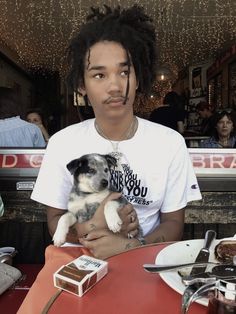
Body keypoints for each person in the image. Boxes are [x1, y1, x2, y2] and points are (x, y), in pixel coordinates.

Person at [31, 5, 202, 260]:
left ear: (138, 78)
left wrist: (130, 246)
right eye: (99, 74)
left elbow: (173, 223)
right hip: (81, 265)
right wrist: (90, 232)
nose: (114, 86)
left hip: (144, 266)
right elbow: (55, 220)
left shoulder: (170, 143)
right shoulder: (62, 144)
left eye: (124, 71)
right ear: (82, 85)